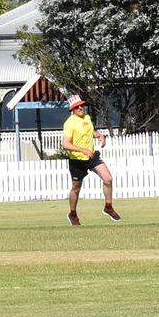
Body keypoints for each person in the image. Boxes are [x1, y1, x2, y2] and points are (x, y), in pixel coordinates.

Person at [61, 94, 119, 225]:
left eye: (81, 105)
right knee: (76, 188)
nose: (81, 107)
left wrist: (100, 136)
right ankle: (73, 213)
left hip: (92, 156)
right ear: (72, 109)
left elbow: (91, 132)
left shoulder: (87, 118)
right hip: (77, 161)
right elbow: (65, 144)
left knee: (108, 178)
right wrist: (83, 150)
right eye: (77, 106)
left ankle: (108, 207)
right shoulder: (69, 123)